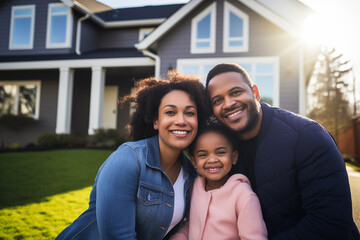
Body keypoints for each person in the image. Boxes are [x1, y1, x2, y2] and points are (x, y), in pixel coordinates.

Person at [205, 63, 360, 240]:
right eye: (218, 100)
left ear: (255, 93)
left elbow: (331, 224)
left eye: (235, 92)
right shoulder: (221, 149)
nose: (228, 104)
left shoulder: (308, 137)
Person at [55, 71, 211, 240]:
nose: (181, 121)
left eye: (189, 113)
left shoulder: (191, 173)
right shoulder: (129, 159)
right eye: (170, 112)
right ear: (155, 121)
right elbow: (118, 237)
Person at [170, 123, 267, 240]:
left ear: (234, 157)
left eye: (220, 152)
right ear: (194, 161)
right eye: (203, 154)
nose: (212, 160)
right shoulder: (194, 188)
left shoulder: (243, 195)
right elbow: (190, 225)